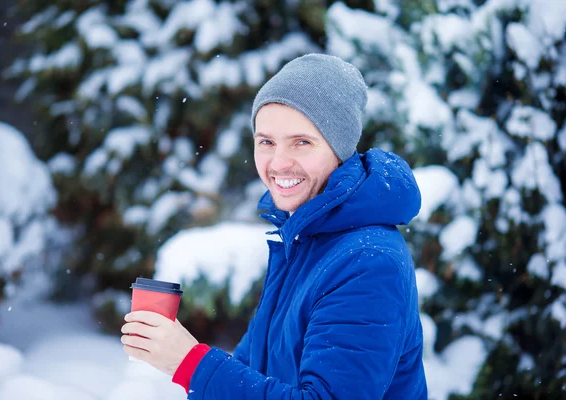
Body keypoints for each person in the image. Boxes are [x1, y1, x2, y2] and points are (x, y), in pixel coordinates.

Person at [121, 53, 428, 399]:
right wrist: (181, 358)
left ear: (339, 149)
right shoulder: (303, 242)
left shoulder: (368, 262)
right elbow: (255, 370)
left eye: (302, 142)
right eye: (266, 141)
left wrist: (189, 362)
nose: (279, 163)